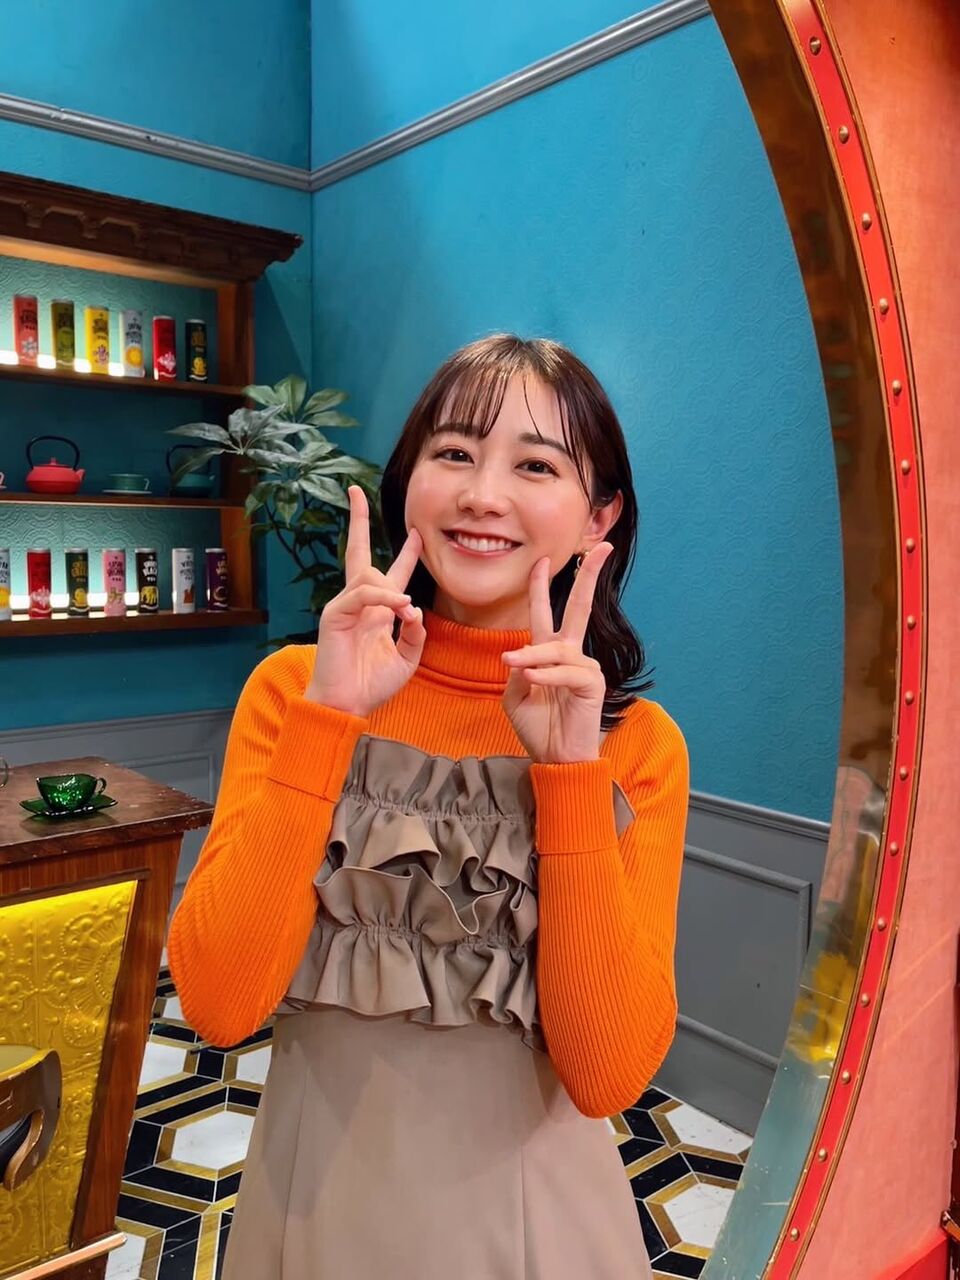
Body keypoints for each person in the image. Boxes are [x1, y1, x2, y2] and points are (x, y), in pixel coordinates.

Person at [168, 334, 690, 1279]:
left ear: (599, 516)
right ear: (408, 480)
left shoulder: (635, 744)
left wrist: (570, 778)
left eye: (536, 465)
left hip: (534, 1234)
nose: (482, 494)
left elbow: (608, 1073)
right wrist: (329, 722)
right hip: (311, 1207)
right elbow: (218, 1004)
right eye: (454, 453)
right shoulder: (294, 692)